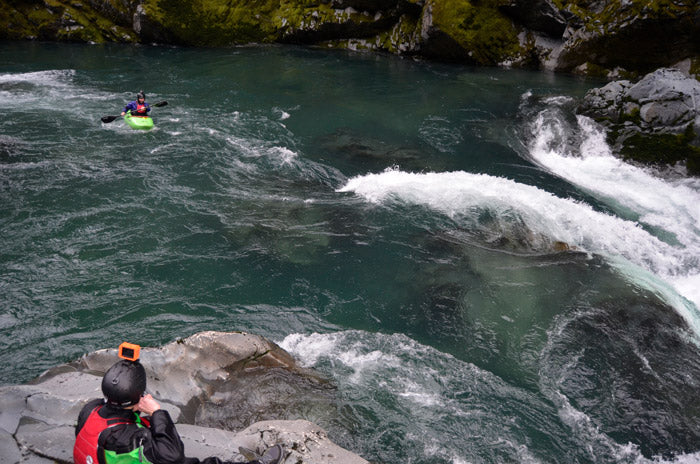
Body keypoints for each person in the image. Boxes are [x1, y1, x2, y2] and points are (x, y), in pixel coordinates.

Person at [74, 346, 284, 464]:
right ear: (139, 396)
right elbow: (172, 456)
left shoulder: (90, 409)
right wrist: (157, 413)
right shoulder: (131, 439)